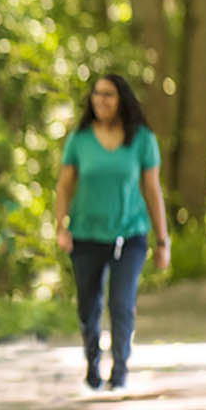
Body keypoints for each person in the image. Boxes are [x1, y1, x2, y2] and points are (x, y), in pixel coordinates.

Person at [53, 72, 170, 391]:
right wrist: (60, 226)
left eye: (108, 94)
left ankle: (119, 371)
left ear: (122, 99)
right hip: (86, 236)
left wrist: (162, 241)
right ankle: (92, 363)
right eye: (96, 94)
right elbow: (64, 187)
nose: (100, 100)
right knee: (88, 308)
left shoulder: (142, 139)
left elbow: (152, 190)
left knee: (121, 304)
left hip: (128, 236)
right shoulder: (79, 140)